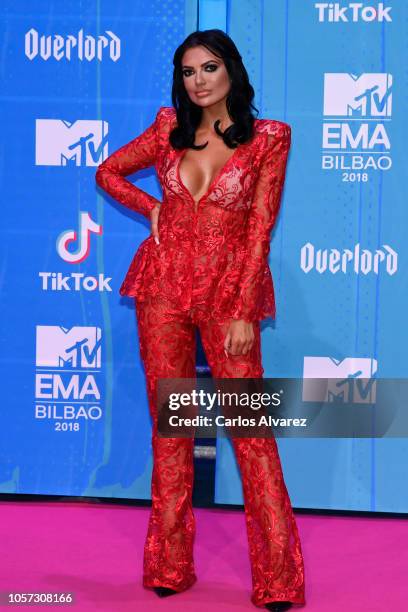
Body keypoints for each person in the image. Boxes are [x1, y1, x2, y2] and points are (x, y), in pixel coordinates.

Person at [95, 29, 305, 611]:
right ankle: (169, 566)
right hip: (162, 289)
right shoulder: (168, 130)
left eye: (209, 68)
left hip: (227, 294)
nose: (199, 80)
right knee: (173, 432)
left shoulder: (268, 139)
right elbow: (109, 172)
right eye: (188, 72)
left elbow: (260, 229)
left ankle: (280, 579)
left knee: (253, 437)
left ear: (231, 71)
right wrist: (152, 205)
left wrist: (241, 311)